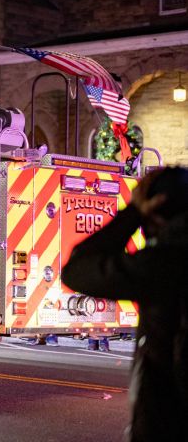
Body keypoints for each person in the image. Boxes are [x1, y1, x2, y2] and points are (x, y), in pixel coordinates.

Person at [62, 167, 188, 442]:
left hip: (167, 423)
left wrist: (133, 212)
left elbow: (77, 270)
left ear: (155, 211)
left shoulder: (162, 265)